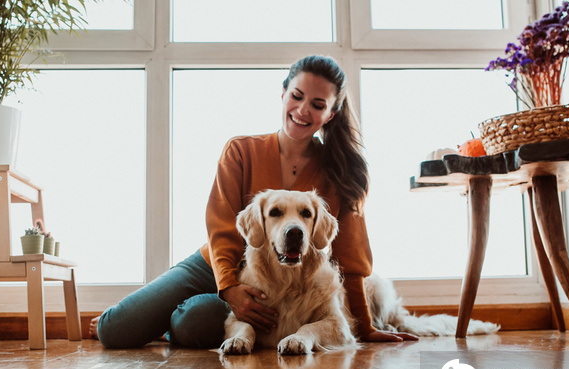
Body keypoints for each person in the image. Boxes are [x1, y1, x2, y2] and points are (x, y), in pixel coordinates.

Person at [91, 55, 417, 349]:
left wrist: (367, 325)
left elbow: (351, 258)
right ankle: (151, 317)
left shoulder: (341, 173)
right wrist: (229, 287)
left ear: (331, 114)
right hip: (216, 262)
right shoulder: (240, 150)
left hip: (277, 283)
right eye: (297, 96)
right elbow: (220, 226)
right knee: (114, 331)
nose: (303, 110)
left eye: (318, 105)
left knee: (191, 322)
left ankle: (174, 324)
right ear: (283, 94)